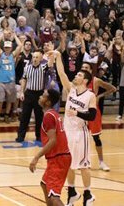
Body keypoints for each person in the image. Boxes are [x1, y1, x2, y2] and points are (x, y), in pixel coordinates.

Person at [49, 50, 96, 205]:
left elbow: (92, 116)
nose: (76, 76)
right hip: (67, 132)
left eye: (79, 76)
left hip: (80, 134)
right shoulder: (71, 89)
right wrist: (57, 56)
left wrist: (76, 112)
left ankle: (88, 193)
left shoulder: (90, 96)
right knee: (68, 163)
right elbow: (61, 72)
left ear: (85, 80)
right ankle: (72, 192)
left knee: (83, 165)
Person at [28, 90, 70, 206]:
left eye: (43, 95)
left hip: (58, 158)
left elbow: (53, 141)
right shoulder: (53, 114)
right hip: (59, 157)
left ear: (48, 102)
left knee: (53, 197)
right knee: (45, 184)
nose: (40, 96)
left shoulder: (49, 116)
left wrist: (36, 157)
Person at [16, 49, 48, 143]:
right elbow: (24, 80)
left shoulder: (43, 67)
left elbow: (49, 63)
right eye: (33, 57)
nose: (34, 59)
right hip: (29, 93)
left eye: (37, 57)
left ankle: (39, 136)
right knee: (24, 116)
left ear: (41, 58)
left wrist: (51, 53)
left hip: (39, 94)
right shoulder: (27, 67)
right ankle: (21, 136)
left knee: (39, 117)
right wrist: (22, 92)